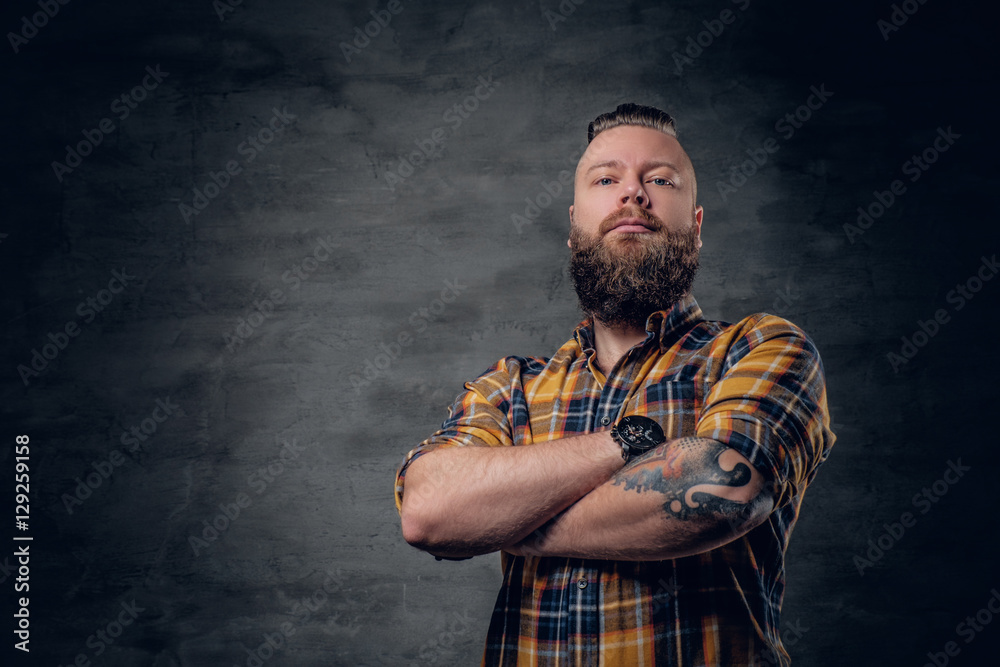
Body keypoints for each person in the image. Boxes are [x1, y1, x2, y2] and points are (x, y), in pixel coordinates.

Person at [393, 103, 835, 666]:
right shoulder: (509, 388)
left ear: (696, 228)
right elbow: (428, 509)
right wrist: (623, 444)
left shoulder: (761, 347)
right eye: (606, 179)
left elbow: (720, 490)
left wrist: (510, 522)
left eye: (661, 180)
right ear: (574, 228)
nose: (633, 193)